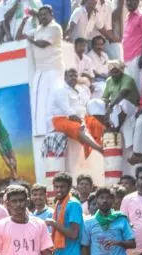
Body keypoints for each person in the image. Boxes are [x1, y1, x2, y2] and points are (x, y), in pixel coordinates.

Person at [21, 5, 64, 134]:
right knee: (41, 101)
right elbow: (20, 35)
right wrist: (24, 20)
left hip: (52, 69)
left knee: (50, 100)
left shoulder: (55, 27)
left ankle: (50, 129)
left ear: (52, 15)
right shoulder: (39, 29)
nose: (43, 17)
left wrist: (30, 39)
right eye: (40, 15)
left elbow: (42, 44)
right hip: (43, 70)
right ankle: (43, 130)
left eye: (45, 14)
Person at [50, 68, 106, 157]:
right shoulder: (61, 91)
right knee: (79, 127)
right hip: (62, 119)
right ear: (65, 77)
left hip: (81, 117)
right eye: (70, 76)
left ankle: (105, 145)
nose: (73, 78)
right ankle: (99, 149)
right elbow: (69, 112)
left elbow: (86, 105)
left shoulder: (80, 90)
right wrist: (82, 122)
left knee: (98, 123)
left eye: (75, 76)